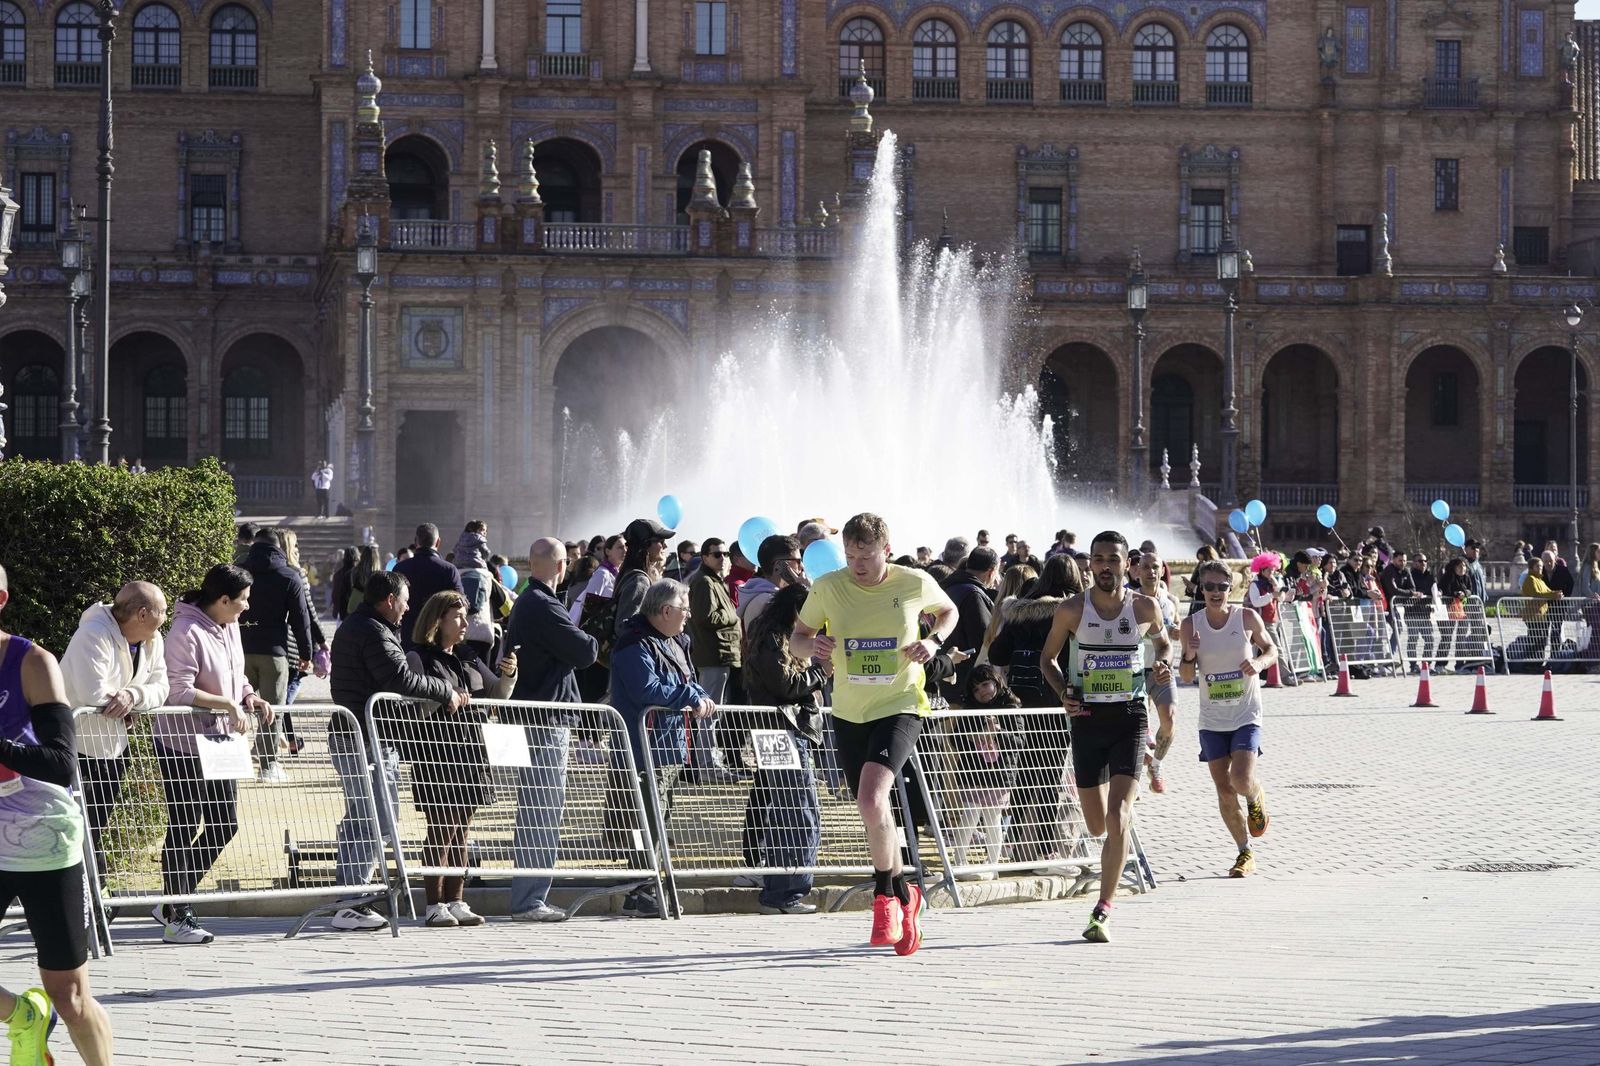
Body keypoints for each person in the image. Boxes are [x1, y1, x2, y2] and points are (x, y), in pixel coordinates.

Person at [792, 513, 957, 957]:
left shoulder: (912, 581)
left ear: (886, 550)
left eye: (865, 556)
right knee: (873, 809)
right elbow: (797, 639)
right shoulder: (828, 587)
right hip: (849, 711)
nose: (857, 565)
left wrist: (933, 641)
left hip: (900, 704)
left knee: (871, 798)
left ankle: (884, 898)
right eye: (850, 556)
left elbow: (949, 611)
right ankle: (907, 896)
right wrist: (814, 647)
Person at [0, 563, 117, 1066]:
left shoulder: (31, 662)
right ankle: (24, 1016)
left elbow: (60, 762)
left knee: (69, 996)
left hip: (42, 840)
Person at [1039, 530, 1172, 943]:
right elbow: (1048, 660)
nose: (1105, 567)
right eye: (1098, 559)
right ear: (1090, 564)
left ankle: (1102, 909)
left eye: (1113, 560)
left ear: (1127, 564)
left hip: (1130, 718)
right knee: (1097, 825)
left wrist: (1162, 665)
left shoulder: (1145, 606)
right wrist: (1064, 694)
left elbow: (1164, 645)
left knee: (1118, 817)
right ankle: (1118, 825)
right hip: (1087, 721)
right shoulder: (1071, 610)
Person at [328, 570, 463, 932]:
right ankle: (351, 901)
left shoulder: (364, 626)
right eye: (404, 601)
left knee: (367, 818)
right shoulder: (373, 631)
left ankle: (353, 898)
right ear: (390, 600)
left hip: (363, 734)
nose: (407, 607)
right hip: (364, 737)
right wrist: (444, 690)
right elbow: (399, 678)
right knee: (372, 819)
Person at [157, 563, 275, 945]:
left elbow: (236, 674)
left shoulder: (230, 625)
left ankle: (173, 900)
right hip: (182, 744)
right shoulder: (185, 631)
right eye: (243, 599)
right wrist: (227, 704)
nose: (247, 606)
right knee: (185, 824)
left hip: (220, 741)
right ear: (223, 599)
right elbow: (178, 691)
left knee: (225, 824)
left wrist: (250, 696)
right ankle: (179, 914)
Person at [404, 591, 516, 927]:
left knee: (462, 830)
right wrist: (445, 697)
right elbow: (413, 705)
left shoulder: (469, 656)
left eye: (466, 616)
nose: (465, 623)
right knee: (442, 828)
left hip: (472, 751)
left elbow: (496, 694)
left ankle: (456, 900)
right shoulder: (419, 657)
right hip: (437, 753)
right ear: (437, 621)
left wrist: (509, 675)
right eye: (457, 617)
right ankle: (433, 904)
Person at [502, 537, 598, 923]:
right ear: (561, 566)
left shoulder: (531, 600)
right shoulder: (542, 603)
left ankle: (530, 897)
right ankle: (529, 900)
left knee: (539, 808)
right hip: (545, 720)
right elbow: (585, 651)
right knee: (542, 810)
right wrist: (591, 632)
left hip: (540, 716)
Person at [608, 579, 713, 918]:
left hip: (670, 746)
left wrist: (699, 695)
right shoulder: (634, 643)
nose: (689, 615)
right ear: (666, 611)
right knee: (646, 821)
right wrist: (690, 697)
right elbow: (647, 689)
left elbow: (688, 680)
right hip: (644, 748)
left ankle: (651, 886)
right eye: (685, 609)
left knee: (660, 820)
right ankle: (640, 889)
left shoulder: (675, 641)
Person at [61, 581, 170, 875]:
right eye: (162, 611)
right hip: (75, 748)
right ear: (143, 614)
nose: (166, 617)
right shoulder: (92, 633)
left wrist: (133, 697)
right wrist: (129, 703)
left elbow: (162, 688)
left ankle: (95, 892)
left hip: (114, 748)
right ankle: (83, 891)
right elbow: (92, 693)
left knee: (95, 829)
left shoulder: (154, 640)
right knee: (75, 831)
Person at [1179, 558, 1277, 879]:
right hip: (1211, 719)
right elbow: (1186, 675)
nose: (1216, 592)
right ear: (1200, 588)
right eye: (1209, 586)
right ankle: (1244, 852)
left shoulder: (1246, 617)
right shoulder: (1190, 625)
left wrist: (1259, 664)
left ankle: (1255, 795)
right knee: (1224, 791)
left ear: (1231, 588)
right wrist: (1189, 654)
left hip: (1246, 713)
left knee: (1241, 780)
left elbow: (1271, 649)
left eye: (1222, 586)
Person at [740, 583, 827, 914]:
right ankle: (786, 892)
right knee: (797, 811)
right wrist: (820, 673)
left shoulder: (771, 635)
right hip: (781, 730)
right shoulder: (774, 639)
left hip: (779, 729)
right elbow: (786, 685)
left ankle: (782, 890)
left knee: (790, 810)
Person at [986, 554, 1078, 867]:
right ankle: (1045, 844)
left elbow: (997, 654)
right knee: (1050, 774)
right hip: (1055, 701)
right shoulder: (1074, 611)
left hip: (1020, 701)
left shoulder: (1020, 611)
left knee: (1024, 772)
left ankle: (1014, 841)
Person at [238, 527, 314, 782]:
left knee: (235, 706)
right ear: (278, 547)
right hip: (274, 651)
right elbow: (300, 618)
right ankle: (268, 766)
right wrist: (306, 652)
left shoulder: (239, 571)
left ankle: (232, 760)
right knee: (272, 711)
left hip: (241, 648)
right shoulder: (289, 575)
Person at [946, 665, 1023, 880]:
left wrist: (997, 732)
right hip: (972, 773)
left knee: (993, 819)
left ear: (996, 682)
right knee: (970, 814)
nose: (982, 691)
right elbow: (955, 739)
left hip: (999, 775)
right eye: (976, 689)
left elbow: (1019, 741)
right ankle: (959, 861)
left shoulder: (1011, 707)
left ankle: (992, 863)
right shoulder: (970, 710)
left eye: (985, 685)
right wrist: (974, 737)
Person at [687, 538, 741, 784]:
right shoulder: (704, 582)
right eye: (717, 554)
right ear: (705, 557)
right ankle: (707, 765)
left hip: (721, 653)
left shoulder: (714, 580)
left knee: (713, 712)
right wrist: (733, 614)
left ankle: (709, 762)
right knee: (708, 712)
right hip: (713, 654)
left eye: (725, 554)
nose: (723, 558)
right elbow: (704, 617)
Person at [1135, 552, 1179, 793]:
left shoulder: (1171, 601)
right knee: (1138, 725)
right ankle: (1132, 779)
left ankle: (1156, 765)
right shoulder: (1130, 600)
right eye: (1146, 567)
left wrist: (1177, 633)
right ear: (1136, 571)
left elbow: (1174, 629)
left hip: (1161, 668)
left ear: (1162, 571)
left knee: (1169, 719)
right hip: (1134, 670)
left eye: (1155, 567)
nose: (1151, 571)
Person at [394, 524, 465, 649]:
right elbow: (459, 603)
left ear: (416, 541)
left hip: (407, 635)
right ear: (438, 542)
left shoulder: (400, 568)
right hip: (438, 636)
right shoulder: (449, 570)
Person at [942, 546, 998, 690]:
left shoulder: (947, 588)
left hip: (946, 672)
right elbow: (983, 642)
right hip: (968, 682)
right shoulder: (974, 595)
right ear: (991, 572)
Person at [614, 518, 674, 636]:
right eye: (661, 541)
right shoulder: (639, 581)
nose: (665, 546)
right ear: (646, 544)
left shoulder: (631, 574)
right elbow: (624, 627)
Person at [737, 535, 804, 633]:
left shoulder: (767, 596)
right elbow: (795, 638)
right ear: (777, 567)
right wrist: (804, 592)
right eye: (797, 561)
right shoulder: (768, 601)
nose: (802, 566)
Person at [453, 521, 499, 662]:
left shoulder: (454, 575)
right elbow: (486, 552)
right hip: (480, 633)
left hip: (456, 634)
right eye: (483, 530)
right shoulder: (485, 575)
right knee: (481, 671)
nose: (485, 534)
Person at [331, 547, 359, 622]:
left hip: (342, 612)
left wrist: (336, 609)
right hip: (357, 612)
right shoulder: (359, 575)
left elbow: (335, 595)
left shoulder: (338, 574)